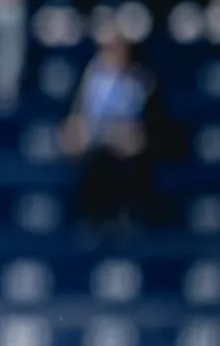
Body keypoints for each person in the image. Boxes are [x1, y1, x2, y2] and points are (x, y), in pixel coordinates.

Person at [59, 28, 153, 233]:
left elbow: (147, 121)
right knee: (94, 160)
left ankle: (126, 217)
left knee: (127, 158)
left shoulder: (140, 79)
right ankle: (94, 220)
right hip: (97, 140)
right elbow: (78, 113)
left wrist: (134, 134)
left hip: (128, 143)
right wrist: (75, 131)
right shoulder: (91, 77)